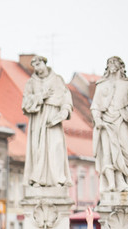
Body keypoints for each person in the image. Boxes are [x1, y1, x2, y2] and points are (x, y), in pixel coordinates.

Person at [91, 56, 128, 192]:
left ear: (121, 67)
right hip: (105, 124)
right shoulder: (101, 85)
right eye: (109, 63)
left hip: (123, 121)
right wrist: (97, 119)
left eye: (115, 62)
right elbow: (95, 106)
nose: (112, 65)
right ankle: (112, 184)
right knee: (107, 156)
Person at [21, 55, 73, 187]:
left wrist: (65, 111)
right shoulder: (31, 83)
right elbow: (25, 102)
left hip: (53, 118)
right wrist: (40, 97)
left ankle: (58, 179)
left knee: (56, 147)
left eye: (39, 64)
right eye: (34, 66)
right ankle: (38, 179)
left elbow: (66, 98)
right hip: (38, 119)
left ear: (45, 63)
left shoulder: (57, 80)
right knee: (38, 149)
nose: (37, 68)